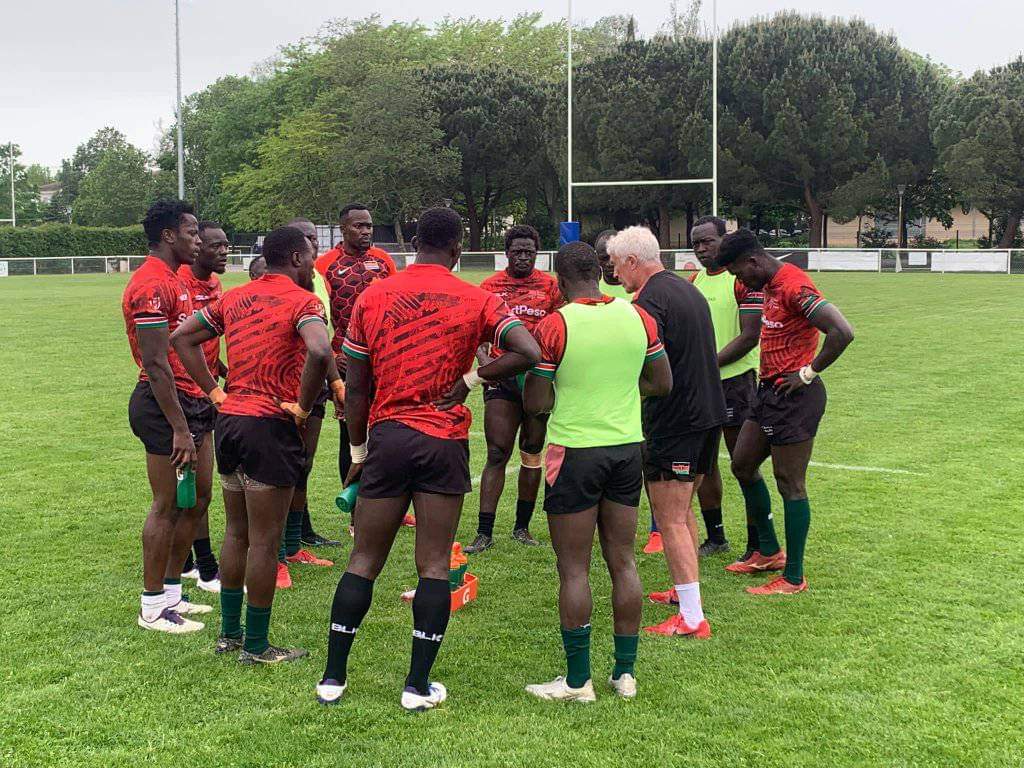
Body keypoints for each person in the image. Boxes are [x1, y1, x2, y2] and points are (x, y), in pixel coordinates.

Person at [315, 207, 540, 711]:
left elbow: (356, 387)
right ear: (459, 249)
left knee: (364, 559)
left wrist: (357, 450)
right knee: (434, 565)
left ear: (414, 242)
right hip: (442, 442)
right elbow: (529, 349)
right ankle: (416, 687)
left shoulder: (374, 295)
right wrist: (470, 381)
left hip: (388, 438)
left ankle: (333, 678)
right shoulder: (477, 297)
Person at [171, 225, 333, 663]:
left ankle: (229, 633)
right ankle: (257, 646)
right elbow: (320, 351)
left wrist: (215, 392)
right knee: (265, 540)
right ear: (297, 259)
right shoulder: (304, 301)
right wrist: (302, 408)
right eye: (311, 254)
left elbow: (181, 337)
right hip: (270, 426)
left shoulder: (234, 297)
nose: (314, 262)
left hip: (231, 423)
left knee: (236, 532)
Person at [522, 241, 671, 703]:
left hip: (575, 453)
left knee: (574, 568)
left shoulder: (554, 325)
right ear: (600, 272)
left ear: (560, 280)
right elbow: (661, 383)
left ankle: (576, 681)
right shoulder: (637, 316)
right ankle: (625, 675)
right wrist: (622, 392)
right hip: (627, 449)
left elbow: (536, 402)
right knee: (623, 560)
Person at [713, 229, 854, 594]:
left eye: (738, 272)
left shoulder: (793, 285)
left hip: (796, 397)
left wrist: (808, 372)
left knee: (790, 483)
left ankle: (793, 576)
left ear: (753, 261)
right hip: (767, 392)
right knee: (742, 464)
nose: (738, 280)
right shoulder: (768, 286)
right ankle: (769, 550)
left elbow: (841, 331)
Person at [608, 225, 725, 639]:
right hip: (709, 414)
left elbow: (641, 359)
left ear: (633, 261)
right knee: (682, 511)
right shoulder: (688, 288)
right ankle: (684, 593)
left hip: (677, 421)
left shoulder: (651, 300)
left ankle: (693, 617)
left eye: (618, 265)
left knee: (670, 516)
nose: (616, 274)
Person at [123, 199, 212, 633]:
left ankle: (174, 593)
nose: (198, 240)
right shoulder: (149, 285)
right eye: (192, 232)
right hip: (163, 407)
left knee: (196, 500)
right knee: (166, 505)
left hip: (192, 401)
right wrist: (179, 428)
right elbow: (155, 363)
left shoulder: (174, 279)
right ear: (168, 236)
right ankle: (152, 605)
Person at [466, 224, 563, 553]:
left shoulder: (551, 288)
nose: (523, 257)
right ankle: (484, 531)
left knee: (532, 452)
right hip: (502, 380)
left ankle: (522, 527)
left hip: (537, 380)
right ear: (506, 253)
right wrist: (486, 365)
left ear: (537, 254)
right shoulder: (489, 287)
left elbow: (561, 330)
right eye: (517, 252)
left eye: (529, 252)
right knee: (496, 451)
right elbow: (475, 336)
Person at [313, 205, 407, 525]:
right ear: (343, 229)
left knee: (389, 430)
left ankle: (392, 504)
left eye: (368, 226)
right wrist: (331, 357)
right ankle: (356, 512)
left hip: (385, 360)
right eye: (358, 226)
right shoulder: (325, 265)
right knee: (351, 435)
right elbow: (319, 316)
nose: (366, 231)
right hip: (345, 361)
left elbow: (398, 302)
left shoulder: (383, 260)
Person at [687, 216, 764, 560]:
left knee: (742, 463)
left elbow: (750, 335)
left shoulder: (742, 282)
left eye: (708, 241)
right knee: (704, 466)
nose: (702, 249)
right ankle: (716, 537)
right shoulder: (694, 281)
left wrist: (707, 364)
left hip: (736, 384)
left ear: (723, 239)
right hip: (702, 386)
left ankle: (756, 540)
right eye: (696, 244)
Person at [269, 219, 339, 592]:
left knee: (303, 466)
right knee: (281, 472)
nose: (315, 251)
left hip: (315, 386)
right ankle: (276, 557)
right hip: (285, 391)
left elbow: (322, 342)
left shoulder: (316, 285)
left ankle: (294, 547)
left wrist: (333, 382)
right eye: (309, 244)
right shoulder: (273, 289)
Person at [176, 221, 229, 594]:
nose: (224, 251)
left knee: (199, 486)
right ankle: (200, 565)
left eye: (227, 245)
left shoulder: (216, 284)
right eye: (215, 245)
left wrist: (226, 372)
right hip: (184, 393)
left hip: (206, 390)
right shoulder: (178, 282)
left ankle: (189, 562)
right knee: (191, 486)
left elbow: (207, 341)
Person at [594, 229, 631, 300]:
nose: (609, 263)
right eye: (604, 258)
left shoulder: (640, 286)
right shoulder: (593, 288)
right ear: (597, 258)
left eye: (614, 257)